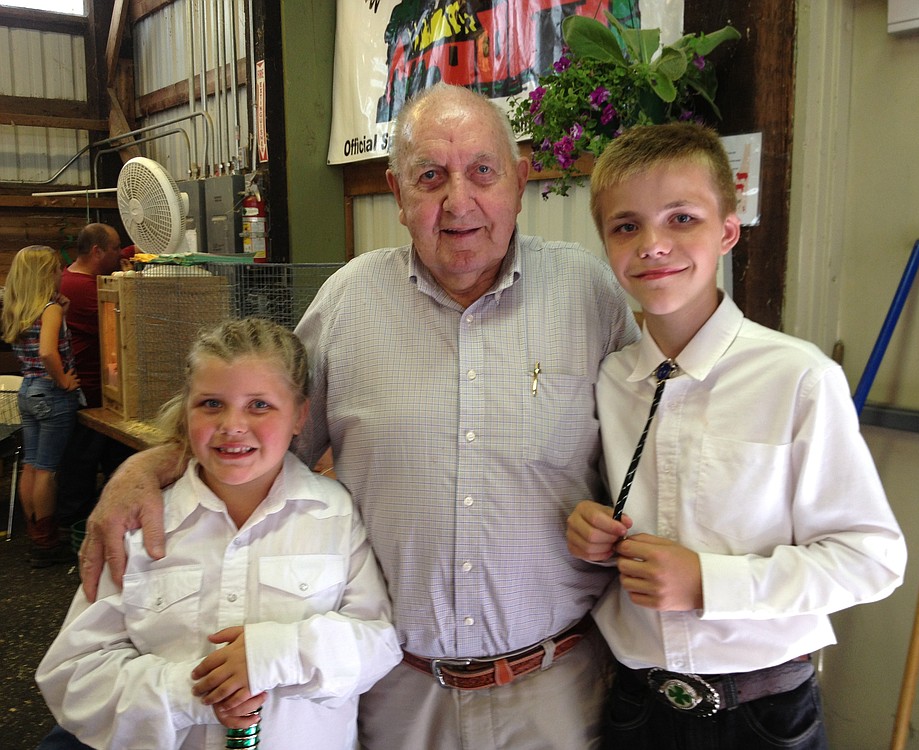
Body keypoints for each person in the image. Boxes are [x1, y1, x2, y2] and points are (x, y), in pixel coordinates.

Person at [75, 82, 640, 750]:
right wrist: (144, 466)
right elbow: (259, 435)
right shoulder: (348, 304)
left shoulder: (589, 295)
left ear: (519, 181)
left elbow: (646, 455)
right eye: (430, 177)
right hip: (394, 692)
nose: (458, 201)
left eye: (482, 172)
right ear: (398, 195)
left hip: (556, 688)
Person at [566, 122, 908, 749]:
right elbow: (614, 499)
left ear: (727, 231)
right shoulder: (613, 378)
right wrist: (591, 527)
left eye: (682, 218)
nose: (653, 245)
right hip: (635, 706)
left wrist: (710, 583)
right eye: (626, 226)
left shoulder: (799, 378)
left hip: (762, 715)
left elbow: (872, 560)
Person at [36, 317, 401, 750]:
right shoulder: (141, 521)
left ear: (301, 415)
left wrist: (276, 654)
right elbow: (73, 677)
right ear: (186, 407)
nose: (232, 425)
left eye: (260, 405)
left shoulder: (333, 514)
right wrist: (193, 693)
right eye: (211, 404)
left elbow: (377, 643)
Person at [1, 245, 82, 567]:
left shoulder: (18, 307)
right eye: (55, 269)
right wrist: (63, 380)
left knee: (32, 465)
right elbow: (49, 352)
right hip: (51, 393)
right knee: (48, 470)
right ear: (44, 275)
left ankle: (36, 533)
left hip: (27, 390)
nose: (61, 274)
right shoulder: (49, 309)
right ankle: (46, 544)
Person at [57, 223, 134, 531]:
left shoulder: (70, 276)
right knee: (83, 461)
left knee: (105, 455)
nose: (119, 254)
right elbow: (128, 313)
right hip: (90, 390)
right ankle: (75, 525)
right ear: (97, 251)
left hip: (99, 388)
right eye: (115, 249)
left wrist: (132, 251)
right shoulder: (87, 291)